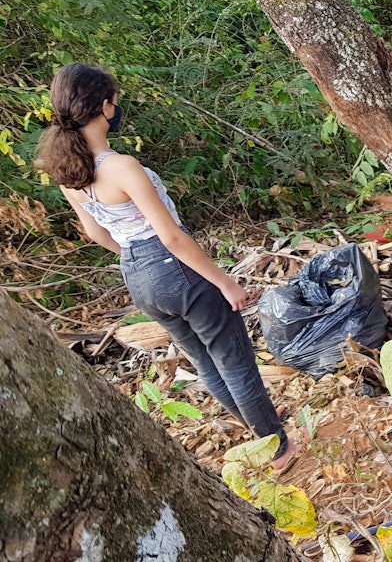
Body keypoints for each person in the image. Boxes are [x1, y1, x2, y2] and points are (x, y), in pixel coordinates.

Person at [36, 64, 299, 470]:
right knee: (234, 359)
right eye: (115, 103)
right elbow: (173, 237)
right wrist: (225, 282)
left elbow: (95, 234)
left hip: (136, 274)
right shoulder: (120, 166)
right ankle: (278, 448)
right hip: (172, 265)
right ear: (104, 107)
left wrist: (138, 261)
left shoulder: (70, 173)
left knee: (204, 361)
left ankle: (259, 426)